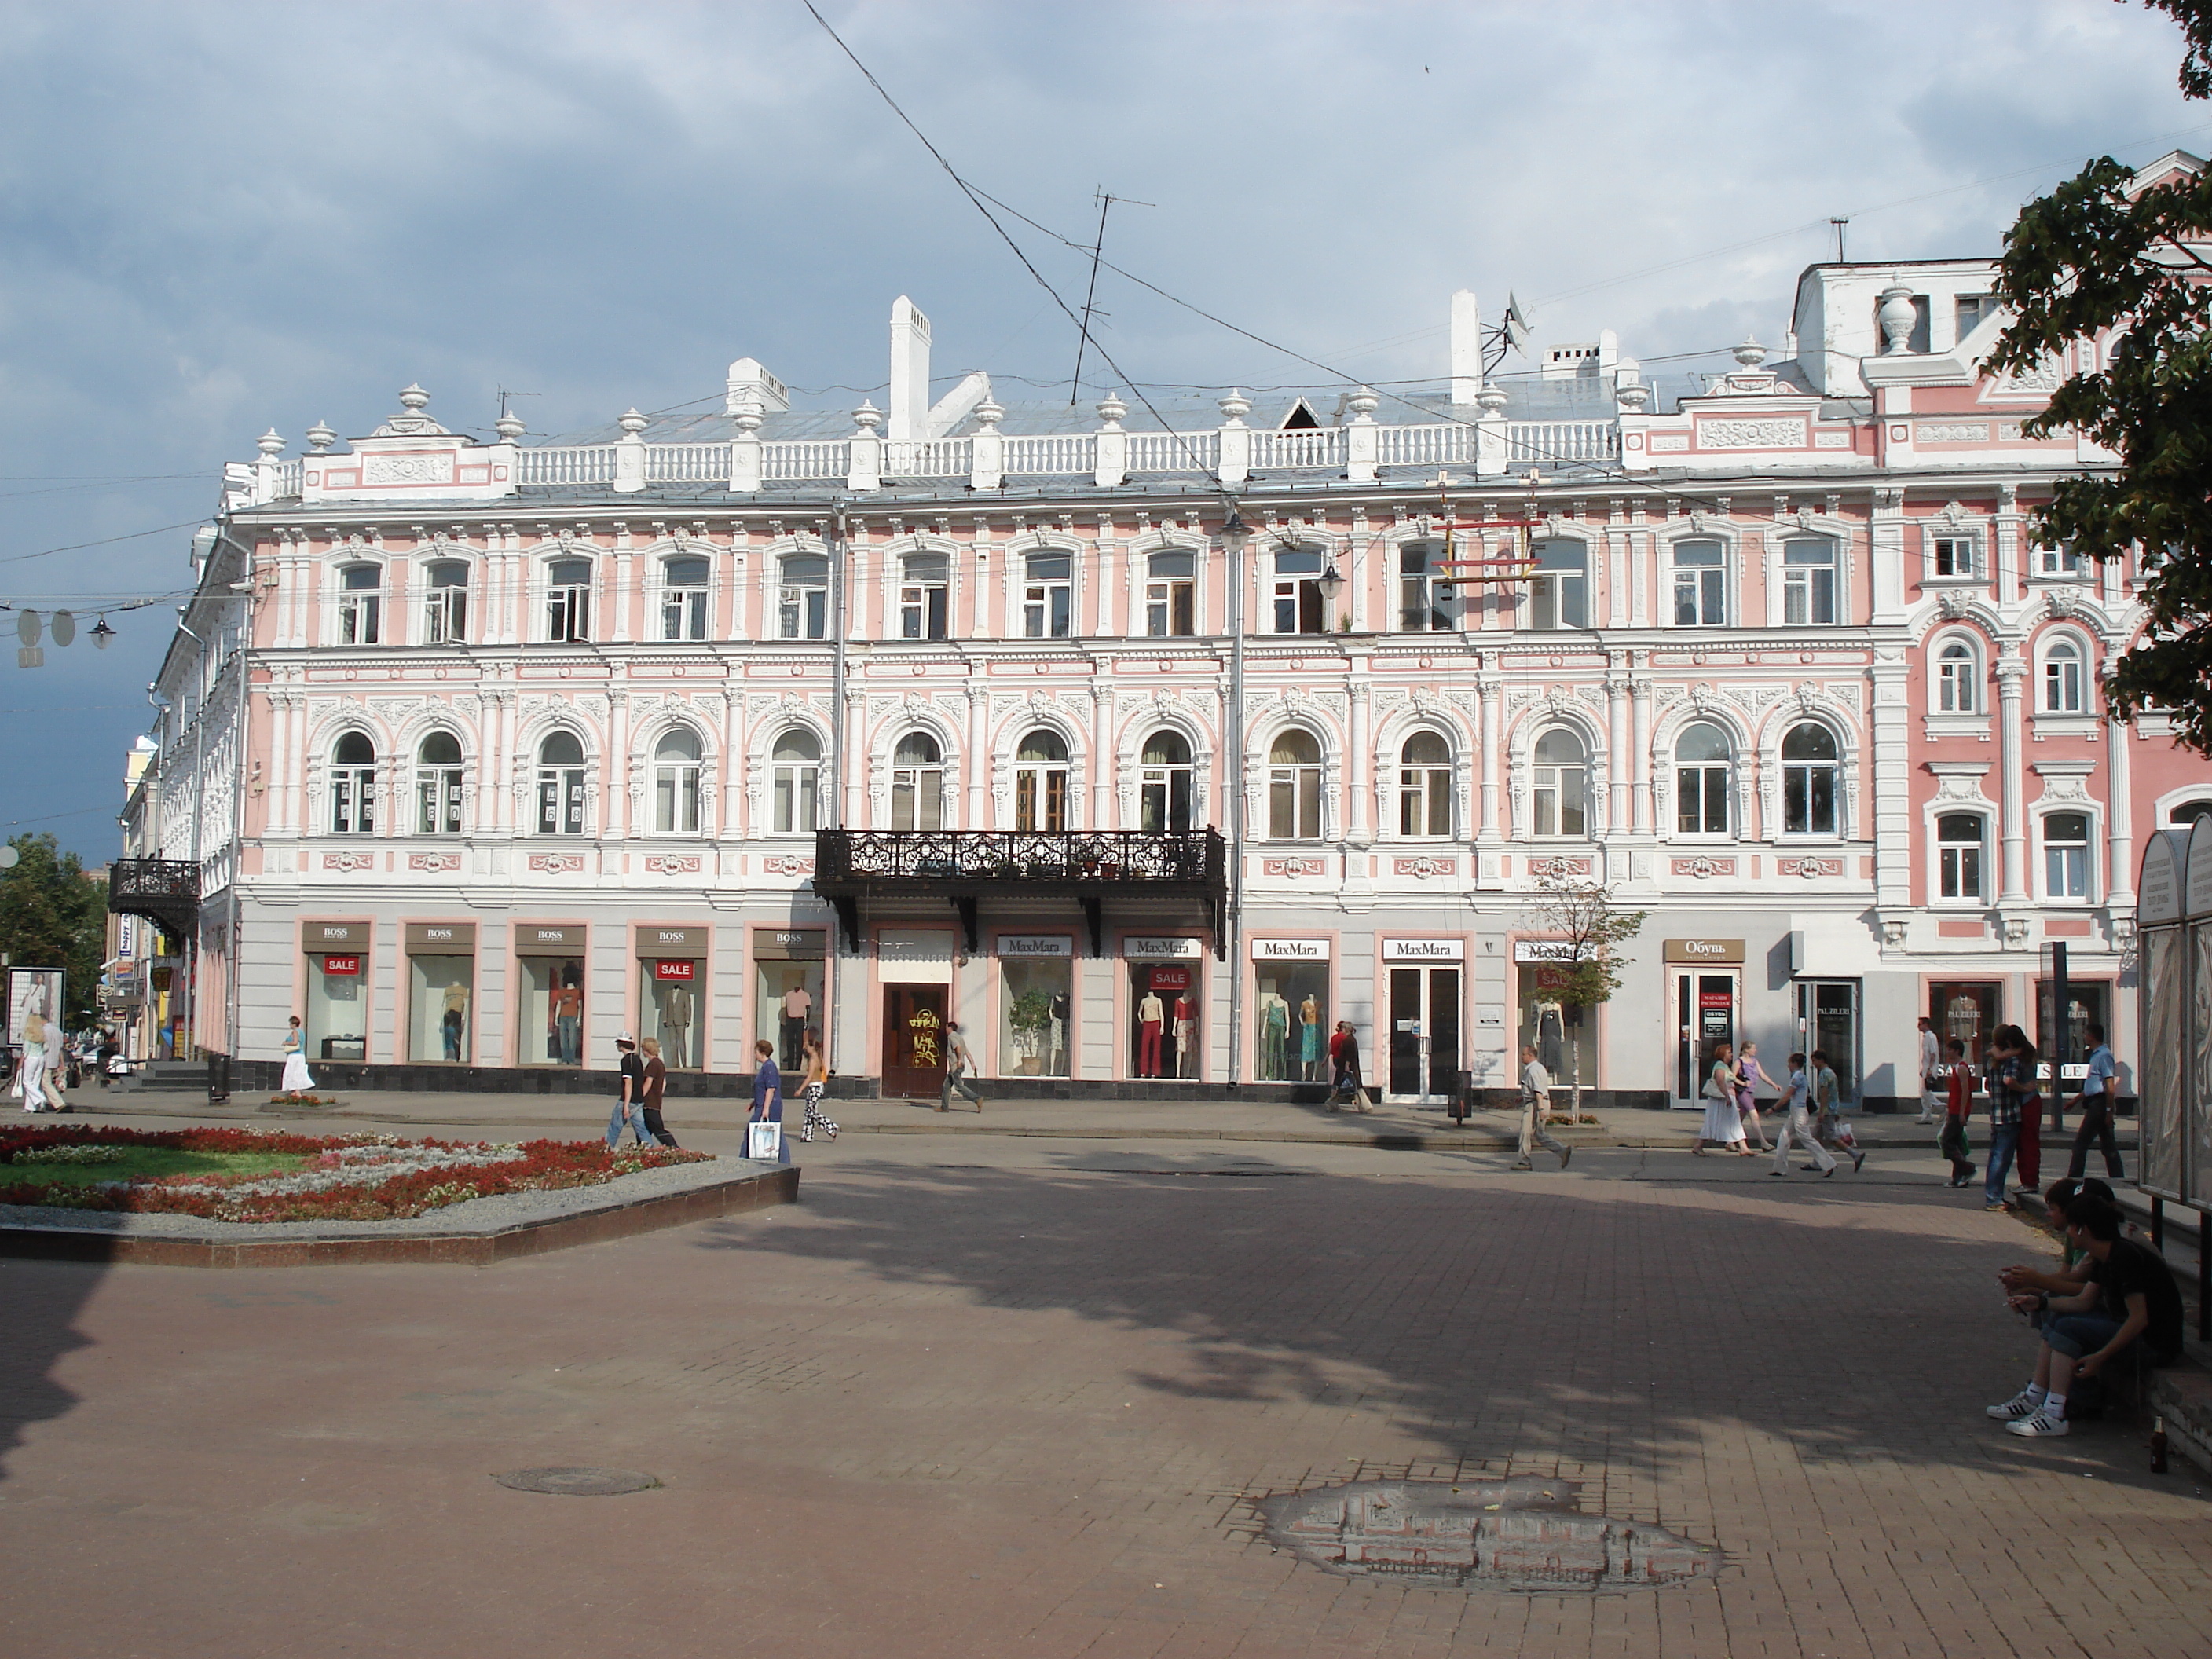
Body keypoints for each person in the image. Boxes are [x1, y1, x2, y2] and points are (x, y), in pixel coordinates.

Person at [1988, 1196, 2185, 1437]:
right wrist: (2040, 1303)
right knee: (2060, 1317)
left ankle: (2055, 1413)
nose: (2069, 1233)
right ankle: (2035, 1396)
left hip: (2154, 1343)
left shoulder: (2125, 1257)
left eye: (2072, 1227)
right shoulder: (2106, 1256)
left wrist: (2100, 1356)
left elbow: (2139, 1318)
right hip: (2131, 1330)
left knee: (2070, 1328)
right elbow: (2083, 1301)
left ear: (2084, 1229)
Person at [1982, 1024, 2037, 1210]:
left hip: (1995, 1112)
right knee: (2002, 1158)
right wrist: (2024, 1088)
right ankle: (1994, 1199)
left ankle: (1993, 1195)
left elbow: (1989, 1085)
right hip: (2010, 1114)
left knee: (1995, 1156)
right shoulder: (2011, 1060)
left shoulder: (1992, 1061)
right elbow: (2009, 1080)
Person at [2064, 1023, 2125, 1181]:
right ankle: (2118, 1177)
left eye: (2085, 1034)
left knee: (2080, 1144)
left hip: (2099, 1105)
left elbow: (2108, 1085)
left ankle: (2074, 1178)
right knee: (2108, 1146)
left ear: (2092, 1036)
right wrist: (2075, 1101)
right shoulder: (2095, 1055)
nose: (2084, 1037)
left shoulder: (2103, 1055)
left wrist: (2109, 1110)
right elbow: (2093, 1086)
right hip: (2095, 1101)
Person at [1769, 1051, 1837, 1177]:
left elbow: (1787, 1096)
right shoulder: (1800, 1076)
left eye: (1789, 1063)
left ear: (1795, 1063)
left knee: (1806, 1138)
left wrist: (1773, 1109)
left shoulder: (1797, 1077)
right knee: (1785, 1136)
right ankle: (1779, 1168)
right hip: (1796, 1111)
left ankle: (1829, 1163)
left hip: (1799, 1112)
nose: (1788, 1066)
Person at [1514, 1042, 1572, 1170]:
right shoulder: (1539, 1068)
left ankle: (1524, 1162)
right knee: (1539, 1134)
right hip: (1540, 1101)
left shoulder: (1533, 1070)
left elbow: (1538, 1090)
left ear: (1530, 1055)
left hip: (1535, 1104)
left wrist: (1540, 1109)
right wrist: (1522, 1097)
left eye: (1523, 1054)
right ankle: (1562, 1151)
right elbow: (1536, 1088)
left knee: (1525, 1132)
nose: (1521, 1057)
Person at [1811, 1049, 1865, 1172]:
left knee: (1831, 1138)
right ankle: (1817, 1162)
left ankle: (1855, 1155)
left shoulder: (1824, 1074)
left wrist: (1822, 1112)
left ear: (1821, 1060)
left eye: (1814, 1060)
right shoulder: (1831, 1073)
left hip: (1827, 1111)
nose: (1813, 1064)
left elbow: (1825, 1094)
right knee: (1815, 1137)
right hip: (1832, 1109)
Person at [1694, 1041, 1750, 1156]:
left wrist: (1744, 1084)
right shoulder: (1719, 1066)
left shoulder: (1726, 1067)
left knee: (1733, 1121)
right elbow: (1720, 1082)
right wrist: (1727, 1096)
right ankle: (1698, 1145)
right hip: (1720, 1099)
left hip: (1728, 1098)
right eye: (1729, 1053)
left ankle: (1744, 1147)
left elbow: (1733, 1079)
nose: (1731, 1055)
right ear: (1723, 1054)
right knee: (1719, 1121)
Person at [1939, 1037, 1978, 1188]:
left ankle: (1968, 1168)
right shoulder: (1956, 1067)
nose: (1947, 1052)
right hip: (1954, 1109)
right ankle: (1957, 1178)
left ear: (1956, 1051)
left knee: (1946, 1141)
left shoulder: (1962, 1068)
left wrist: (1962, 1112)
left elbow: (1965, 1091)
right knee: (1956, 1144)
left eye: (1949, 1050)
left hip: (1958, 1111)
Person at [605, 1031, 653, 1148]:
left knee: (615, 1126)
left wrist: (626, 1105)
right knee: (641, 1128)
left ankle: (607, 1148)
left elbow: (628, 1083)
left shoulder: (626, 1061)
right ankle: (650, 1148)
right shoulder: (637, 1058)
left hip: (628, 1100)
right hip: (638, 1099)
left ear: (621, 1045)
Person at [749, 1038, 789, 1164]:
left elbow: (771, 1089)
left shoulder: (769, 1067)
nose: (755, 1055)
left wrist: (765, 1109)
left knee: (753, 1130)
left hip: (769, 1106)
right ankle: (784, 1162)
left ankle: (744, 1160)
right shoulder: (766, 1067)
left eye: (756, 1052)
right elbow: (762, 1088)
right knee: (777, 1133)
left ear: (762, 1053)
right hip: (763, 1104)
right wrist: (753, 1103)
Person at [1734, 1042, 1778, 1153]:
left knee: (1740, 1118)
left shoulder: (1754, 1062)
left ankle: (1730, 1141)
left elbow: (1762, 1075)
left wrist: (1773, 1084)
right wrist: (1743, 1084)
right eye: (1753, 1048)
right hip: (1742, 1092)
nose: (1755, 1051)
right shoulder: (1739, 1061)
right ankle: (1763, 1143)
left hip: (1751, 1092)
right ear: (1746, 1050)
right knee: (1754, 1115)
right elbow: (1731, 1077)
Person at [797, 1026, 838, 1142]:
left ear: (812, 1047)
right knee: (809, 1112)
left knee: (812, 1112)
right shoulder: (817, 1057)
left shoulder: (813, 1060)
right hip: (816, 1087)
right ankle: (807, 1135)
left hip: (815, 1087)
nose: (804, 1047)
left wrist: (800, 1089)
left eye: (806, 1046)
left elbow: (809, 1077)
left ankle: (831, 1127)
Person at [637, 1037, 678, 1148]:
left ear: (646, 1050)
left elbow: (648, 1083)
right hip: (655, 1101)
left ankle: (674, 1148)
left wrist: (640, 1097)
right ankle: (641, 1148)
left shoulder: (653, 1065)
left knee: (657, 1129)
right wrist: (659, 1094)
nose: (642, 1051)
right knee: (644, 1129)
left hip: (650, 1103)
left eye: (643, 1049)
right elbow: (664, 1083)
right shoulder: (660, 1063)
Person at [1329, 1020, 1373, 1113]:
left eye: (1342, 1029)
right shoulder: (1351, 1039)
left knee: (1340, 1086)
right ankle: (1364, 1106)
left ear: (1346, 1029)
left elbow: (1349, 1055)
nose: (1341, 1030)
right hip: (1352, 1067)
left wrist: (1346, 1066)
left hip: (1346, 1067)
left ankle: (1332, 1104)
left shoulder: (1348, 1040)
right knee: (1356, 1087)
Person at [939, 1018, 982, 1113]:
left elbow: (958, 1047)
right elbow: (966, 1052)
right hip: (959, 1065)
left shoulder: (952, 1037)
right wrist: (973, 1064)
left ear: (950, 1028)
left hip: (956, 1065)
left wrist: (958, 1060)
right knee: (946, 1086)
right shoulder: (960, 1037)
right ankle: (944, 1107)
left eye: (946, 1028)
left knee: (959, 1086)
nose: (946, 1030)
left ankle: (977, 1099)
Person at [280, 1015, 316, 1100]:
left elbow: (295, 1043)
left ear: (293, 1024)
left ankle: (296, 1091)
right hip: (301, 1055)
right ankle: (296, 1091)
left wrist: (286, 1043)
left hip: (294, 1055)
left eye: (290, 1023)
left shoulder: (295, 1031)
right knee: (297, 1072)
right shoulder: (301, 1032)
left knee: (291, 1072)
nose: (289, 1025)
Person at [1917, 1016, 1943, 1126]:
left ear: (1926, 1025)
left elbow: (1933, 1054)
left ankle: (1942, 1107)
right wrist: (1923, 1069)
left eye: (1920, 1024)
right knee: (1924, 1093)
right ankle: (1927, 1115)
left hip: (1930, 1069)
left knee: (1926, 1092)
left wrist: (1930, 1070)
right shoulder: (1926, 1037)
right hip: (1926, 1068)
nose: (1918, 1026)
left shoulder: (1931, 1037)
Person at [1137, 987, 1166, 1078]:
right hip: (1147, 1023)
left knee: (1156, 1047)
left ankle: (1155, 1071)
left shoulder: (1158, 1000)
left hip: (1156, 1022)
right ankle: (1143, 1071)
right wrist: (1141, 1019)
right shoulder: (1144, 1001)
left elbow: (1161, 1013)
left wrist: (1162, 1026)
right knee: (1144, 1047)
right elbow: (1139, 1012)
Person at [1299, 994, 1324, 1081]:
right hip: (1307, 1028)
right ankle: (1303, 1073)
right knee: (1305, 1049)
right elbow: (1300, 1015)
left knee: (1316, 1051)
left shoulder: (1318, 1004)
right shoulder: (1305, 1003)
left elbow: (1322, 1016)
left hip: (1316, 1028)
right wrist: (1302, 1022)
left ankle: (1314, 1075)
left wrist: (1324, 1028)